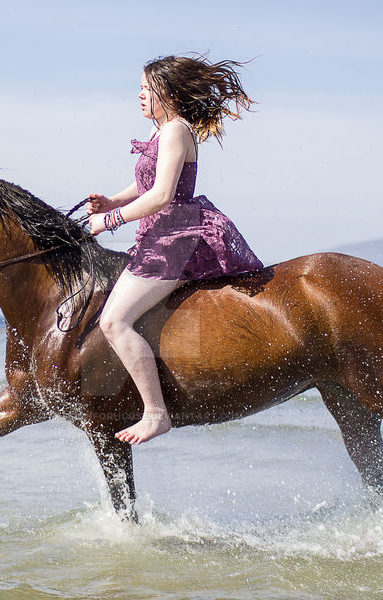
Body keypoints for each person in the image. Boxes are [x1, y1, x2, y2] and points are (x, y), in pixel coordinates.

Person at [87, 54, 263, 445]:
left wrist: (112, 222)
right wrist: (112, 202)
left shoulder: (175, 131)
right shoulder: (161, 131)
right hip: (160, 235)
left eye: (146, 89)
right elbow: (146, 185)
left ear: (165, 92)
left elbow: (163, 195)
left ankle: (155, 413)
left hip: (174, 239)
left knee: (113, 321)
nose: (139, 95)